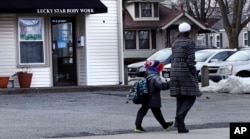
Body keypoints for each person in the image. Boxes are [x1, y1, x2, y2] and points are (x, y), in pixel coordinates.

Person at [170, 22, 202, 133]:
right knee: (191, 96)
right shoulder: (189, 43)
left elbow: (173, 58)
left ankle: (180, 126)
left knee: (180, 98)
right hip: (185, 71)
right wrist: (193, 71)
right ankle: (179, 116)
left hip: (174, 71)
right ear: (188, 31)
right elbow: (190, 60)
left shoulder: (175, 43)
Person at [134, 60, 173, 133]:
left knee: (143, 111)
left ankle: (138, 126)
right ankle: (165, 125)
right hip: (153, 98)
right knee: (156, 112)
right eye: (159, 67)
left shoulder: (147, 75)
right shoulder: (155, 77)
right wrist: (171, 83)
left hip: (146, 97)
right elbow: (162, 86)